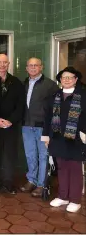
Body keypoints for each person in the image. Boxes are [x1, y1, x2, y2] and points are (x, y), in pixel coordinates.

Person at [42, 67, 86, 213]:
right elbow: (47, 118)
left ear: (75, 79)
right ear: (60, 80)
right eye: (63, 77)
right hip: (57, 138)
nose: (66, 80)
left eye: (70, 77)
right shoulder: (54, 95)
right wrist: (46, 136)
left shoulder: (83, 96)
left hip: (76, 139)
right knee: (61, 168)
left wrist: (83, 133)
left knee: (75, 170)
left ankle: (75, 200)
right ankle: (63, 196)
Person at [19, 58, 59, 197]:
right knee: (30, 155)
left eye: (36, 65)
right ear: (26, 68)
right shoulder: (23, 83)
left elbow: (56, 108)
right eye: (30, 65)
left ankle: (42, 184)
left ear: (41, 67)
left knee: (43, 156)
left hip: (43, 127)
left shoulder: (51, 85)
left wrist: (52, 128)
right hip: (26, 125)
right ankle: (31, 180)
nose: (33, 67)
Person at [0, 54, 24, 194]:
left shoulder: (16, 82)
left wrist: (11, 120)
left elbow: (21, 105)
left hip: (11, 126)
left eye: (5, 62)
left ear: (8, 64)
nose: (2, 65)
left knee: (10, 155)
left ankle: (8, 183)